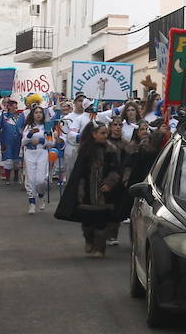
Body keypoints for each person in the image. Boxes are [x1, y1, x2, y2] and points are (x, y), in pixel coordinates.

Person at [57, 122, 122, 257]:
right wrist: (78, 190)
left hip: (104, 193)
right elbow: (79, 173)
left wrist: (110, 183)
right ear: (94, 134)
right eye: (102, 133)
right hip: (86, 192)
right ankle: (89, 239)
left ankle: (100, 248)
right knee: (87, 222)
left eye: (106, 133)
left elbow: (115, 169)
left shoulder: (111, 150)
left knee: (102, 222)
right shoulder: (85, 151)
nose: (105, 136)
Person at [21, 105, 53, 214]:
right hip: (30, 153)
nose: (38, 114)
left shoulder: (47, 127)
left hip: (42, 153)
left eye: (40, 112)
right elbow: (23, 142)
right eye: (36, 112)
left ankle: (41, 195)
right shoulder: (28, 127)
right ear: (32, 114)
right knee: (31, 180)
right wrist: (30, 134)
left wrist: (40, 140)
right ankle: (32, 203)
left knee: (41, 180)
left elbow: (51, 143)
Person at [60, 96, 91, 183]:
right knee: (71, 173)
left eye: (84, 100)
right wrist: (61, 141)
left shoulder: (91, 116)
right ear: (74, 103)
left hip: (86, 148)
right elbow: (64, 135)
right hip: (72, 148)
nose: (82, 103)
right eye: (79, 101)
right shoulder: (67, 118)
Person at [0, 98, 24, 184]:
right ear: (9, 107)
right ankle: (7, 177)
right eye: (13, 107)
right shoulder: (3, 116)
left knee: (17, 159)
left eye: (16, 107)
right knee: (8, 159)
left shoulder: (20, 116)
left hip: (18, 141)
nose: (15, 108)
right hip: (6, 141)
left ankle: (16, 176)